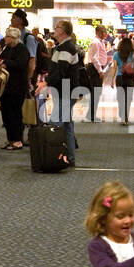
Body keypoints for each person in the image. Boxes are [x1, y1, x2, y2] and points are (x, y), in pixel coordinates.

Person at [44, 19, 82, 165]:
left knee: (55, 125)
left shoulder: (66, 48)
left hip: (66, 91)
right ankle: (69, 158)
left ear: (63, 31)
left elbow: (61, 71)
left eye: (57, 27)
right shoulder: (62, 47)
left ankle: (55, 158)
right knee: (66, 126)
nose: (54, 29)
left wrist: (46, 83)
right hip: (65, 91)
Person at [0, 27, 31, 150]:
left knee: (15, 114)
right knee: (5, 113)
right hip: (6, 87)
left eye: (8, 36)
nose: (5, 38)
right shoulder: (6, 49)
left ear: (14, 38)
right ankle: (10, 139)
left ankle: (17, 140)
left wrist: (6, 63)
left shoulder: (22, 50)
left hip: (17, 87)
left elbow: (21, 65)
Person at [86, 24, 112, 123]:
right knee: (95, 92)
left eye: (104, 31)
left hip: (97, 68)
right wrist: (100, 71)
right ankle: (92, 115)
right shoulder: (95, 42)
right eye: (102, 32)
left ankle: (91, 114)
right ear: (97, 32)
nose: (104, 33)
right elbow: (94, 58)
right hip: (94, 69)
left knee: (96, 92)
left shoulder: (100, 42)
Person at [113, 36, 134, 125]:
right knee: (128, 99)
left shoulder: (116, 54)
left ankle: (122, 115)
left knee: (120, 98)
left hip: (119, 78)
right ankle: (125, 117)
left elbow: (114, 68)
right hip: (130, 78)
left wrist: (112, 79)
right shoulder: (133, 54)